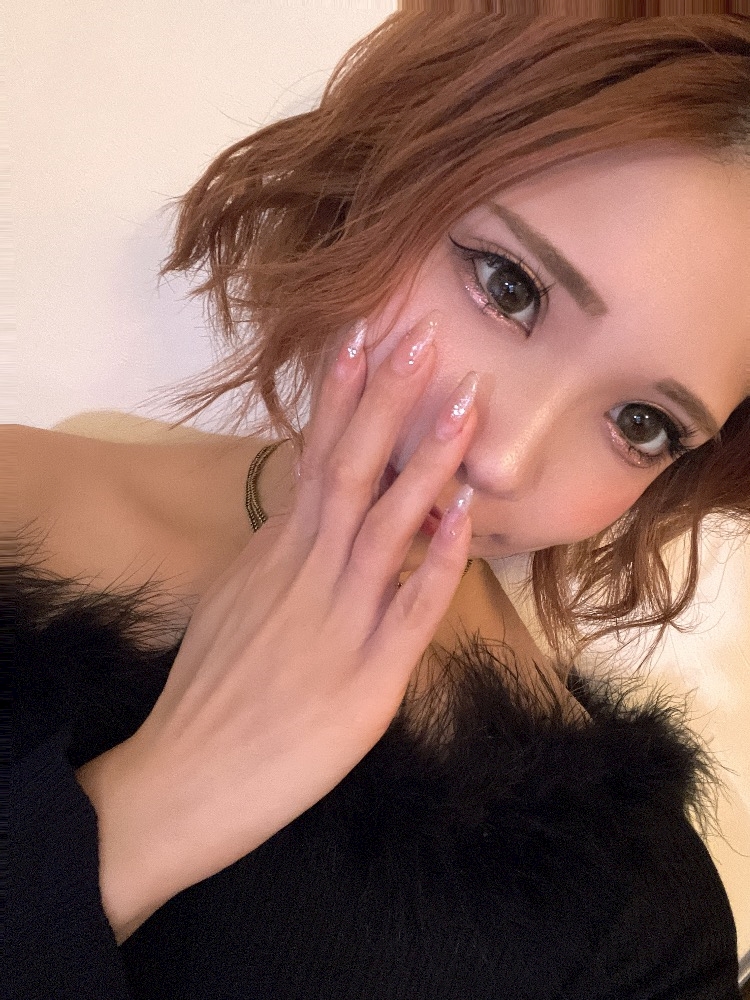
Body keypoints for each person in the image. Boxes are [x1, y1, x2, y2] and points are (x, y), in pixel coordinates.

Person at [9, 13, 750, 999]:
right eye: (509, 287)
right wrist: (154, 801)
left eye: (641, 423)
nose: (502, 458)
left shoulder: (633, 917)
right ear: (388, 178)